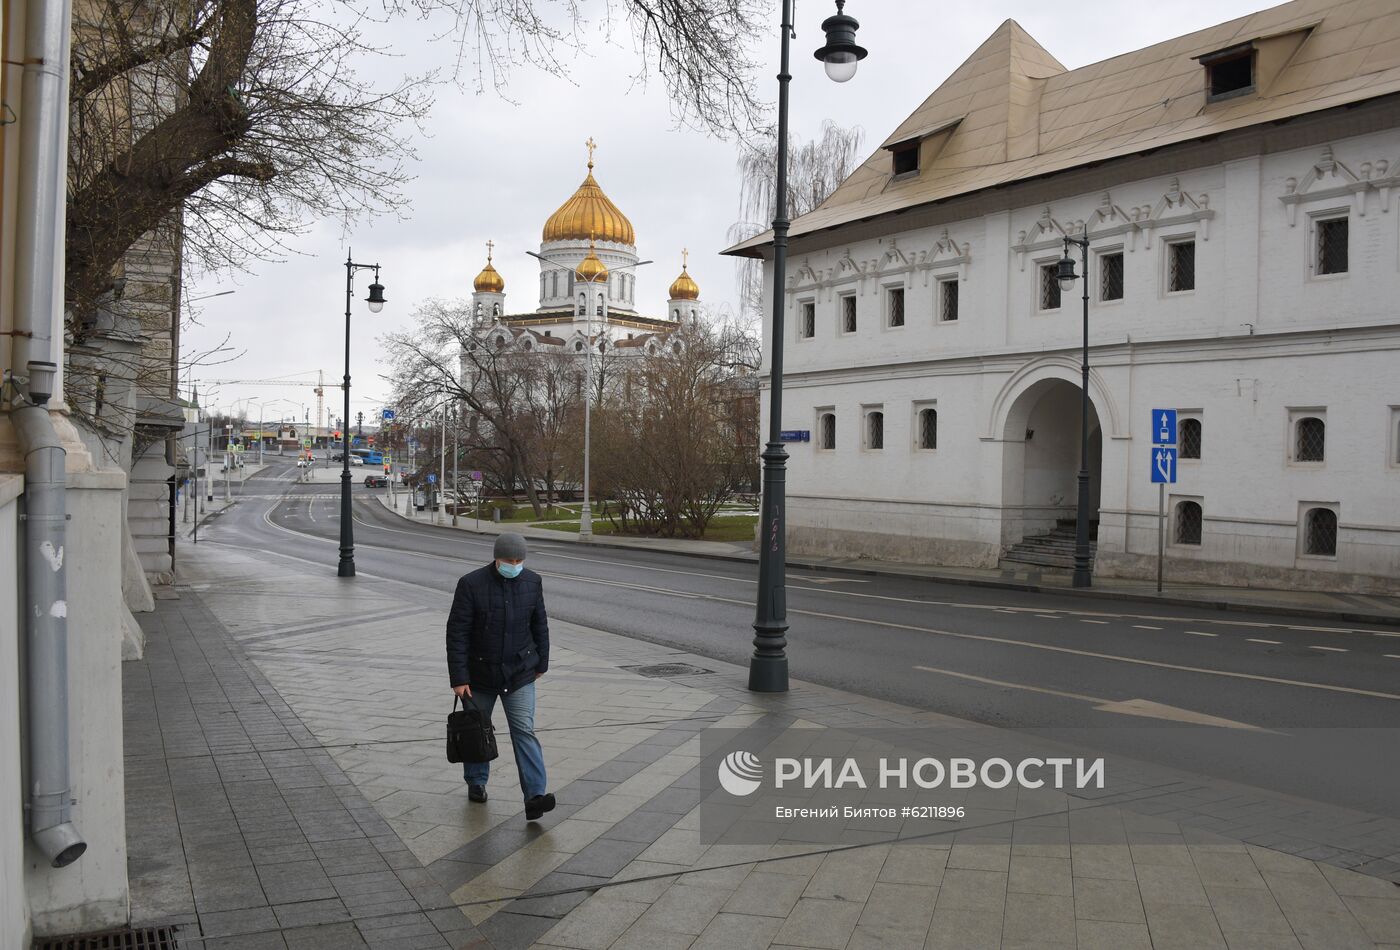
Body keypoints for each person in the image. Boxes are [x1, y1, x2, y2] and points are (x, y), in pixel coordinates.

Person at [445, 532, 555, 821]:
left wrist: (541, 663)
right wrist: (459, 678)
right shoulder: (471, 584)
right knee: (477, 730)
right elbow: (457, 633)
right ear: (496, 558)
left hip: (519, 672)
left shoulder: (532, 582)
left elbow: (540, 625)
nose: (514, 565)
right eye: (509, 560)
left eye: (519, 560)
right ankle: (476, 780)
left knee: (524, 731)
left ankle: (535, 796)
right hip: (479, 674)